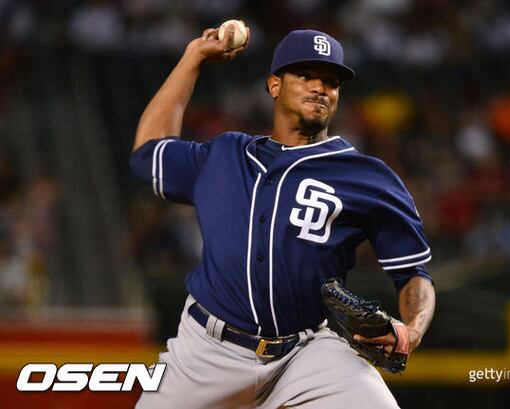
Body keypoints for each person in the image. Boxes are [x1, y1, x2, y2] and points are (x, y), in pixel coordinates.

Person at [130, 24, 436, 409]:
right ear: (274, 86)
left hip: (307, 353)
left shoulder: (369, 177)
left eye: (331, 81)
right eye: (306, 75)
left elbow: (414, 275)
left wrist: (411, 331)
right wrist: (193, 58)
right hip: (207, 352)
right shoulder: (224, 155)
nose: (320, 87)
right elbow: (148, 152)